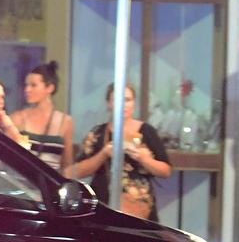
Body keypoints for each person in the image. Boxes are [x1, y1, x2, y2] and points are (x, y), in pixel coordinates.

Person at [72, 83, 172, 221]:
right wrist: (103, 154)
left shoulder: (146, 131)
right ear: (109, 104)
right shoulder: (98, 133)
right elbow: (75, 171)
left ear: (134, 103)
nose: (123, 104)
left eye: (128, 100)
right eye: (117, 100)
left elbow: (165, 170)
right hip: (104, 205)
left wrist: (144, 159)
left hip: (140, 209)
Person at [11, 62, 73, 174]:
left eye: (33, 85)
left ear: (49, 88)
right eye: (26, 85)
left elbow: (67, 164)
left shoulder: (65, 122)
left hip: (51, 184)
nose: (27, 89)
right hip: (23, 183)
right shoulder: (18, 118)